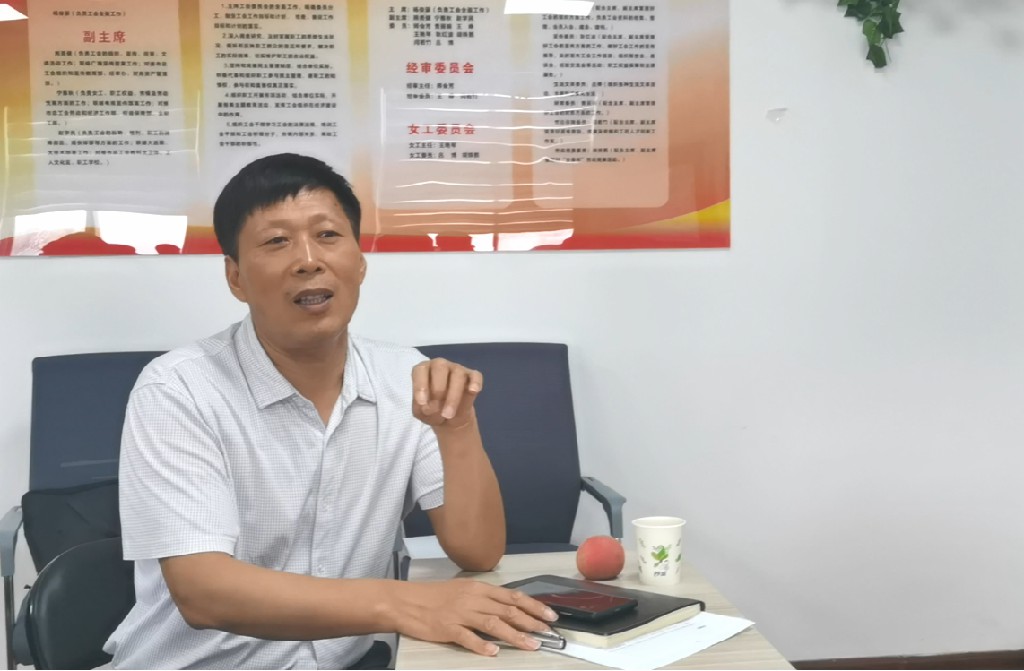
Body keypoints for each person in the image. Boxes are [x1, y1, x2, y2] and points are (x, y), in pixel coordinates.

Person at [104, 153, 558, 669]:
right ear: (235, 277)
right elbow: (204, 592)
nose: (307, 260)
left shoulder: (403, 378)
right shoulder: (178, 390)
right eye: (277, 241)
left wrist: (459, 429)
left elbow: (478, 552)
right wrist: (402, 604)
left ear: (360, 262)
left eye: (327, 235)